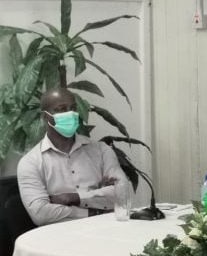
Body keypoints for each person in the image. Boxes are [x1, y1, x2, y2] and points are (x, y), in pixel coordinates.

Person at [17, 88, 128, 226]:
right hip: (58, 239)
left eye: (73, 108)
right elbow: (40, 213)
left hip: (105, 230)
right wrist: (94, 210)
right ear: (45, 117)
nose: (70, 114)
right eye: (61, 109)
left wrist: (72, 198)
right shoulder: (30, 162)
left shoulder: (101, 150)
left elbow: (122, 192)